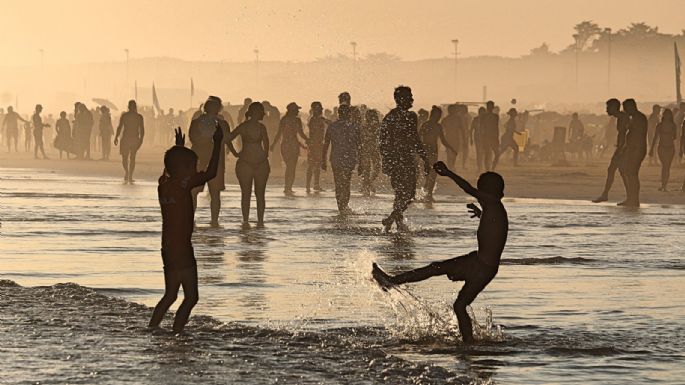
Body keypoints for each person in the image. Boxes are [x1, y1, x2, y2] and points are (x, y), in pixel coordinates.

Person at [373, 161, 507, 344]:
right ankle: (469, 343)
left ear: (487, 191)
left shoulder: (491, 203)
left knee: (434, 268)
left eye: (481, 190)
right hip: (487, 268)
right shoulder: (495, 208)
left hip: (478, 265)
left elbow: (468, 189)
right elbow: (494, 229)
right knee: (460, 306)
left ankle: (392, 282)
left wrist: (448, 173)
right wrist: (481, 215)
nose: (479, 193)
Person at [148, 124, 223, 334]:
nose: (195, 170)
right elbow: (212, 172)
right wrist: (218, 143)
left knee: (170, 295)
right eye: (192, 166)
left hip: (167, 247)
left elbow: (170, 168)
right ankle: (177, 332)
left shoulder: (163, 183)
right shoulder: (183, 183)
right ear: (183, 169)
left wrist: (178, 146)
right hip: (182, 247)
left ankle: (152, 328)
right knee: (191, 297)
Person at [379, 85, 430, 232]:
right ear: (401, 99)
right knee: (408, 195)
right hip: (404, 160)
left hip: (397, 160)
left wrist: (386, 161)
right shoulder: (409, 116)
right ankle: (393, 219)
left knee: (401, 194)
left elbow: (382, 142)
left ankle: (394, 221)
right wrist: (425, 159)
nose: (412, 99)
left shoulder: (390, 117)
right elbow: (415, 139)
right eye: (409, 97)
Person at [189, 96, 231, 227]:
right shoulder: (222, 124)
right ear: (218, 109)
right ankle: (214, 221)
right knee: (215, 193)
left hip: (198, 159)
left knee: (194, 192)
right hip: (216, 160)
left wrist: (204, 142)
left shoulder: (196, 122)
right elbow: (227, 139)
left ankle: (191, 219)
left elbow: (192, 139)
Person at [226, 102, 270, 227]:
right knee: (256, 194)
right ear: (256, 113)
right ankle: (255, 222)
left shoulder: (248, 127)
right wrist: (234, 153)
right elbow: (228, 138)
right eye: (261, 112)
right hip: (252, 163)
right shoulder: (255, 127)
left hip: (251, 162)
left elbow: (228, 139)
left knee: (250, 194)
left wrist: (235, 153)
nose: (263, 114)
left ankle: (250, 222)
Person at [322, 104, 359, 214]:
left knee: (338, 183)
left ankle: (341, 207)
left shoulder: (332, 126)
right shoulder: (354, 126)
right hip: (349, 159)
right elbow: (359, 145)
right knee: (346, 183)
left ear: (339, 114)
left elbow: (325, 144)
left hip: (336, 159)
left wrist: (323, 160)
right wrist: (361, 162)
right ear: (349, 114)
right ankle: (344, 206)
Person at [593, 99, 629, 203]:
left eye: (608, 108)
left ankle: (605, 195)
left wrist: (621, 148)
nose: (606, 110)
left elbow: (626, 134)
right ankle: (628, 196)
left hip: (623, 149)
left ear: (614, 108)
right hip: (622, 148)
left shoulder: (622, 118)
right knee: (621, 172)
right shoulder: (620, 117)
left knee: (614, 170)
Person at [420, 106, 457, 202]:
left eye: (440, 116)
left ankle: (429, 194)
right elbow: (418, 138)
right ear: (433, 115)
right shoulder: (426, 125)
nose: (439, 117)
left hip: (433, 152)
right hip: (425, 152)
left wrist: (451, 149)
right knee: (428, 173)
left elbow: (443, 140)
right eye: (438, 115)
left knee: (433, 173)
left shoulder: (437, 126)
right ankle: (426, 192)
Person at [271, 102, 308, 195]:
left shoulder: (285, 119)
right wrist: (308, 140)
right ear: (292, 110)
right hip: (292, 146)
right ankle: (288, 187)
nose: (298, 111)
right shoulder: (295, 120)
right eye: (296, 110)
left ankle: (288, 187)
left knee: (290, 167)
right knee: (291, 167)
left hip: (287, 145)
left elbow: (279, 133)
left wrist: (273, 145)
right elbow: (300, 133)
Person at [619, 99, 647, 207]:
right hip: (632, 149)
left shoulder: (639, 118)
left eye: (626, 108)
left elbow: (637, 135)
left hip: (637, 150)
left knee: (632, 174)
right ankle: (630, 198)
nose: (625, 110)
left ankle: (634, 199)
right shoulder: (634, 117)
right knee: (626, 171)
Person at [114, 100, 145, 183]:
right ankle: (129, 174)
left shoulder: (125, 116)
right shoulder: (138, 117)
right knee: (132, 158)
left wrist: (116, 137)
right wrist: (141, 140)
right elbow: (142, 130)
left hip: (127, 139)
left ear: (128, 106)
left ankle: (128, 173)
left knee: (125, 158)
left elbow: (119, 127)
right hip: (134, 139)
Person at [649, 109, 676, 191]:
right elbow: (655, 137)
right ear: (663, 115)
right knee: (665, 166)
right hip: (662, 147)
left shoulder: (673, 125)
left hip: (671, 147)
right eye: (666, 114)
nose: (667, 116)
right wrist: (651, 149)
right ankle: (663, 185)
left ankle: (664, 185)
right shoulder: (660, 125)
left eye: (669, 114)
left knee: (667, 167)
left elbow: (675, 137)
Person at [359, 109, 382, 196]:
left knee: (377, 168)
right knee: (367, 169)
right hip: (365, 150)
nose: (370, 118)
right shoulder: (364, 127)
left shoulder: (378, 126)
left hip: (374, 149)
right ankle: (366, 188)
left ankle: (368, 183)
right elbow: (362, 138)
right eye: (369, 116)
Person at [306, 101, 327, 193]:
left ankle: (315, 184)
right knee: (312, 165)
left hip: (317, 144)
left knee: (316, 165)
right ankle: (309, 185)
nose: (321, 110)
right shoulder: (314, 119)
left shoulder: (317, 119)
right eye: (319, 108)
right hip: (315, 145)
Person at [480, 101, 500, 170]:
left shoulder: (495, 116)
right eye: (489, 106)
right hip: (487, 136)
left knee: (496, 154)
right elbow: (481, 127)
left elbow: (496, 127)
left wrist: (497, 137)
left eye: (491, 106)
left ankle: (492, 168)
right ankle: (488, 169)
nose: (490, 108)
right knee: (487, 154)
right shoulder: (484, 116)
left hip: (492, 137)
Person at [470, 107, 486, 171]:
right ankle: (479, 167)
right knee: (479, 153)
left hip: (485, 138)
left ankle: (483, 166)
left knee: (484, 153)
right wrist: (471, 138)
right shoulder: (475, 119)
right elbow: (471, 129)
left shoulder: (486, 120)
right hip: (477, 138)